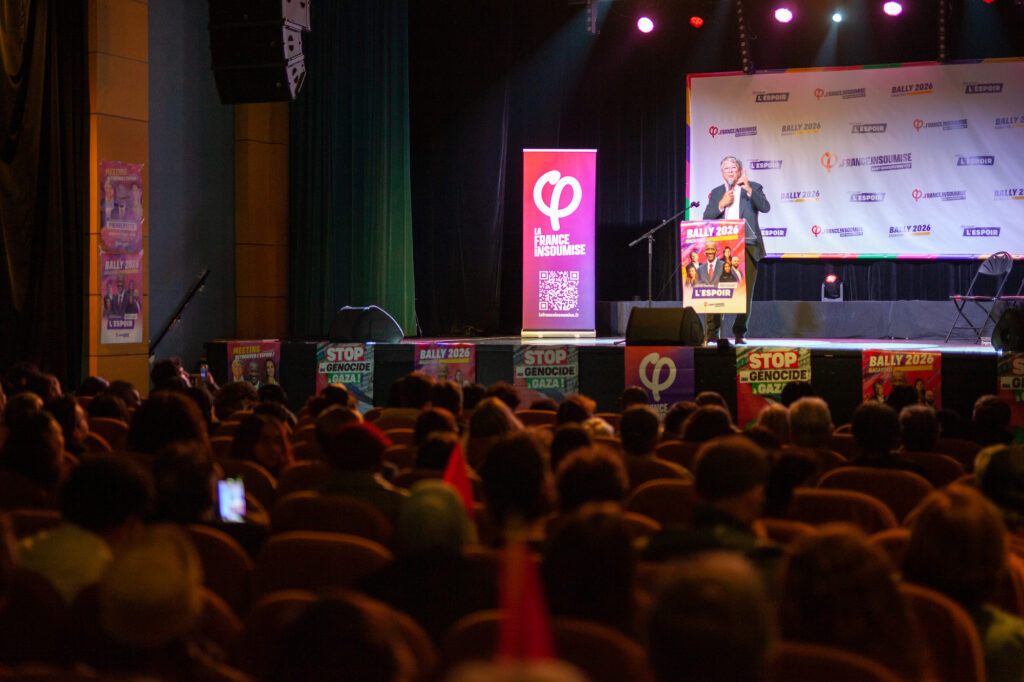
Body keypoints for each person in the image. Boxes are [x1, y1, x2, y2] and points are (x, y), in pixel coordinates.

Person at [703, 155, 770, 345]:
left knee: (745, 293)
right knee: (716, 291)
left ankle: (740, 333)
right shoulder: (716, 192)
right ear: (722, 173)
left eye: (734, 168)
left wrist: (748, 188)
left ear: (740, 171)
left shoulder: (754, 187)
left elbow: (765, 207)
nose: (731, 171)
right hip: (720, 249)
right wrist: (720, 204)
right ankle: (712, 333)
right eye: (726, 168)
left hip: (747, 247)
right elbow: (707, 216)